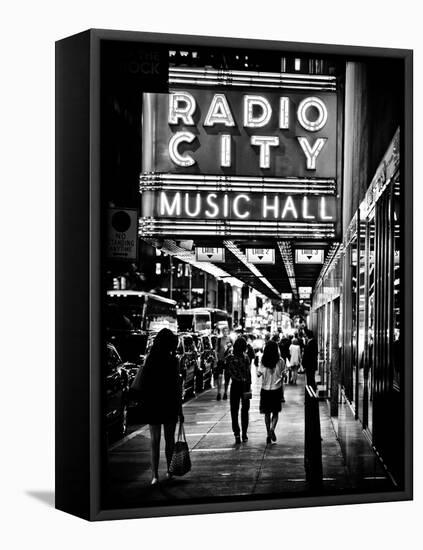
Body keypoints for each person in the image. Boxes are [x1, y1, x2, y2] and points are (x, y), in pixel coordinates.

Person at [138, 328, 184, 485]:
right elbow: (177, 387)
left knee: (154, 441)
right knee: (169, 440)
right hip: (169, 403)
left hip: (153, 403)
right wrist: (180, 409)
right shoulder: (173, 361)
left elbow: (143, 382)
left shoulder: (150, 359)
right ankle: (170, 471)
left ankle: (154, 476)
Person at [257, 340, 285, 444]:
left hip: (265, 390)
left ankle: (268, 433)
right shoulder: (280, 360)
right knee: (275, 412)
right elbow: (284, 372)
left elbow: (258, 374)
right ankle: (273, 429)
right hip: (276, 390)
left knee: (267, 413)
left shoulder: (263, 361)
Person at [226, 337, 252, 444]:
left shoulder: (229, 358)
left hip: (235, 385)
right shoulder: (246, 357)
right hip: (245, 386)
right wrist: (249, 385)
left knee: (234, 410)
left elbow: (228, 373)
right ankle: (244, 434)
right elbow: (248, 373)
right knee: (245, 410)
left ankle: (236, 433)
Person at [214, 326, 232, 400]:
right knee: (220, 376)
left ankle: (225, 393)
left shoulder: (230, 340)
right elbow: (215, 351)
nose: (225, 332)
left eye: (226, 331)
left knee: (227, 377)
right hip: (220, 360)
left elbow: (232, 350)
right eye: (224, 331)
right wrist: (217, 359)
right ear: (222, 332)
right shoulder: (219, 340)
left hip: (227, 361)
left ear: (228, 332)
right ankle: (219, 393)